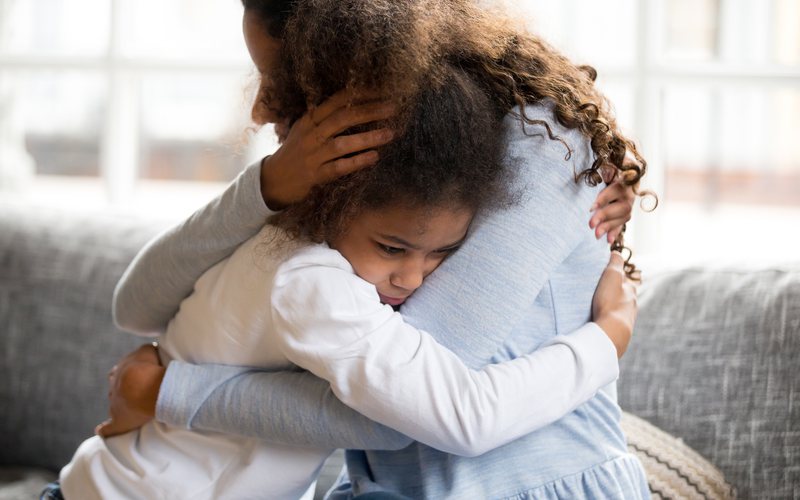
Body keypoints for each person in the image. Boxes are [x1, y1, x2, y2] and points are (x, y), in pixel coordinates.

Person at [95, 0, 651, 498]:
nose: (261, 111)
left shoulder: (541, 139)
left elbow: (419, 410)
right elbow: (135, 307)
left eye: (278, 78)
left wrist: (173, 392)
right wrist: (264, 187)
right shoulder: (358, 179)